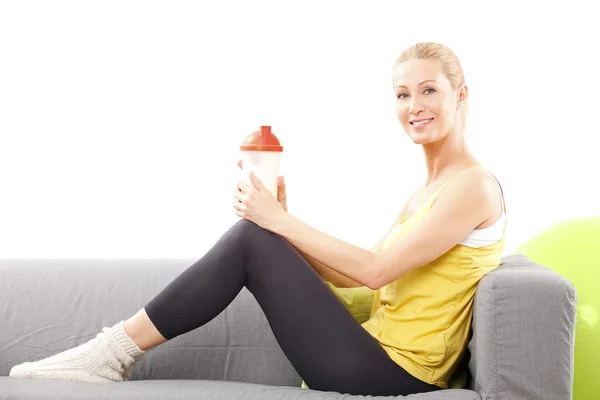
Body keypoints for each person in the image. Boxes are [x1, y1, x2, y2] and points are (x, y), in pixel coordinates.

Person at [9, 42, 507, 397]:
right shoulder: (426, 191)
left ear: (460, 95)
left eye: (428, 91)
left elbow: (373, 270)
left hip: (396, 375)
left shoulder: (474, 187)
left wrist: (277, 225)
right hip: (373, 352)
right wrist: (283, 222)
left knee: (253, 238)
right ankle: (106, 355)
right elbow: (368, 286)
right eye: (402, 95)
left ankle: (108, 356)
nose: (414, 106)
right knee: (259, 236)